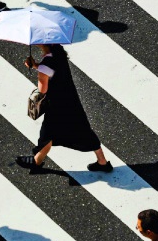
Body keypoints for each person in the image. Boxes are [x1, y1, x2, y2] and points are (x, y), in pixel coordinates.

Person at [16, 44, 112, 174]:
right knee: (84, 130)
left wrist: (39, 73)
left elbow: (43, 89)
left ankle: (36, 162)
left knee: (47, 134)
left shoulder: (46, 64)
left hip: (56, 106)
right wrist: (36, 66)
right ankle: (102, 162)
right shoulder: (59, 54)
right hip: (70, 99)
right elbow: (52, 71)